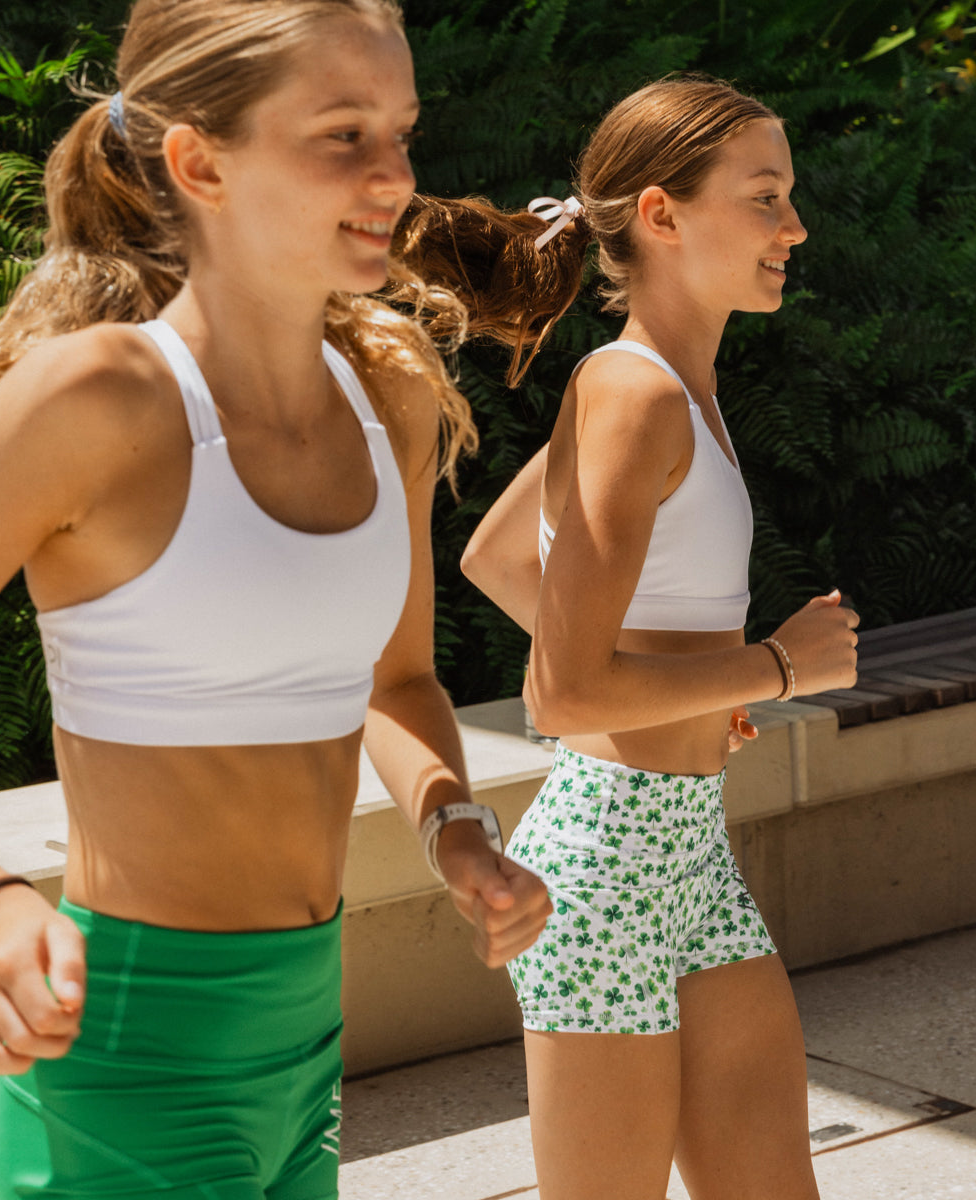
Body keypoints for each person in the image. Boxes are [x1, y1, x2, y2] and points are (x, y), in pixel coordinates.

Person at [0, 1, 551, 1195]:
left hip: (307, 1055)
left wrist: (455, 828)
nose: (396, 178)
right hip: (120, 1066)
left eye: (402, 131)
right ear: (198, 162)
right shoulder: (94, 401)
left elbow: (397, 680)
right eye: (342, 136)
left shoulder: (389, 392)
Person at [395, 77, 860, 1199]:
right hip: (603, 872)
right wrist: (780, 665)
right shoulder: (633, 391)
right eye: (764, 197)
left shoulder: (669, 389)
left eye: (788, 198)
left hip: (685, 848)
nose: (793, 227)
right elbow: (562, 694)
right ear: (662, 214)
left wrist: (689, 692)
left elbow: (500, 558)